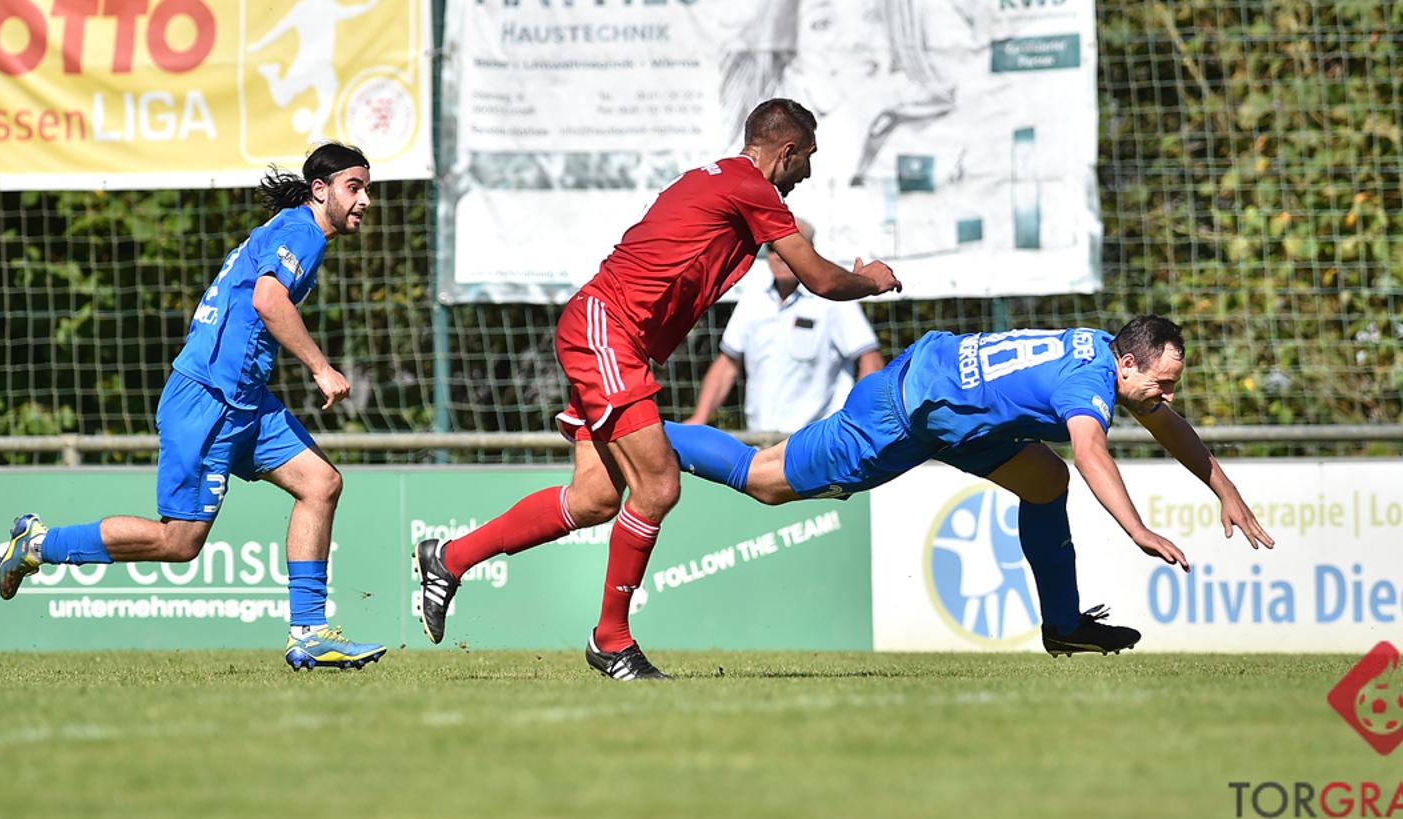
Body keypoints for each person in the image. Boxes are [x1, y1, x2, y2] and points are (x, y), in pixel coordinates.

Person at [413, 98, 901, 680]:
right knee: (659, 483)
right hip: (607, 331)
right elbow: (818, 277)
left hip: (610, 334)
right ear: (787, 151)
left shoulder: (718, 179)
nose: (809, 174)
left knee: (594, 499)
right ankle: (611, 640)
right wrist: (871, 280)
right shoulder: (752, 188)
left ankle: (450, 557)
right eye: (808, 159)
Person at [662, 315, 1276, 656]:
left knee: (1045, 480)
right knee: (764, 480)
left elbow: (1166, 425)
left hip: (950, 411)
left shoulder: (1102, 351)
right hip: (900, 416)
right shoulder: (1088, 382)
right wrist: (1137, 530)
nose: (1166, 397)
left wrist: (1224, 490)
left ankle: (1064, 626)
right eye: (1162, 383)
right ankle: (643, 429)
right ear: (1128, 363)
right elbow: (1092, 451)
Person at [0, 143, 387, 672]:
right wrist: (321, 367)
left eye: (367, 189)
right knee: (179, 542)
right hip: (209, 399)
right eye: (354, 188)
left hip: (245, 400)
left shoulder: (292, 228)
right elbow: (268, 300)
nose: (365, 200)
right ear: (321, 190)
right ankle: (39, 544)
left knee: (321, 484)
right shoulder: (303, 233)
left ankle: (310, 633)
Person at [686, 219, 885, 432]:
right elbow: (727, 364)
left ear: (811, 251)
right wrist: (699, 419)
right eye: (773, 248)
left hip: (818, 441)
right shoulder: (753, 299)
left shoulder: (833, 299)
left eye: (792, 247)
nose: (780, 256)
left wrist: (860, 419)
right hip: (760, 441)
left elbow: (869, 358)